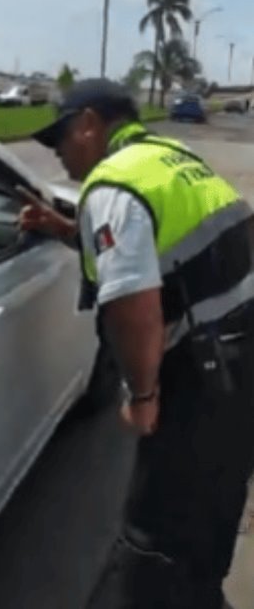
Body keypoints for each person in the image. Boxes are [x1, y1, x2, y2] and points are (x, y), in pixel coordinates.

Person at [22, 78, 254, 608]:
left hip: (200, 378)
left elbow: (136, 306)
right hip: (243, 360)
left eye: (61, 138)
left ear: (89, 123)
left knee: (158, 535)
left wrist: (144, 395)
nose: (58, 154)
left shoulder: (112, 184)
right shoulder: (172, 156)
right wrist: (65, 228)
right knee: (216, 507)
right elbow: (182, 243)